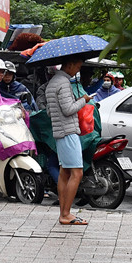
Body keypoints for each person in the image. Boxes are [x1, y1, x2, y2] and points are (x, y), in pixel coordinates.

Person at [45, 58, 94, 226]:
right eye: (78, 66)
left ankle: (63, 212)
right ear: (70, 64)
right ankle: (66, 213)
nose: (77, 70)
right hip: (68, 132)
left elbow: (50, 111)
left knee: (64, 172)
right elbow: (68, 109)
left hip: (59, 132)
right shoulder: (64, 83)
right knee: (77, 173)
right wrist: (84, 100)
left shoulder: (52, 82)